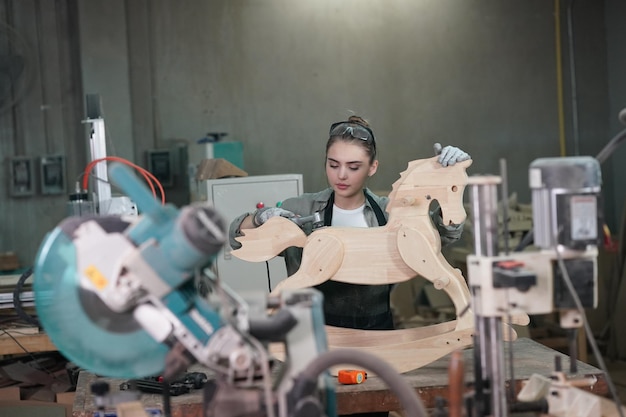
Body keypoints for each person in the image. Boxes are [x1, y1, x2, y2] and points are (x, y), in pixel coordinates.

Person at [229, 116, 469, 416]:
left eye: (354, 167)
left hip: (377, 335)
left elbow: (443, 236)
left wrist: (447, 174)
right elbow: (235, 234)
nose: (341, 175)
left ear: (372, 168)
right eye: (333, 164)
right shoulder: (302, 208)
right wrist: (260, 218)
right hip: (311, 339)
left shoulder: (388, 213)